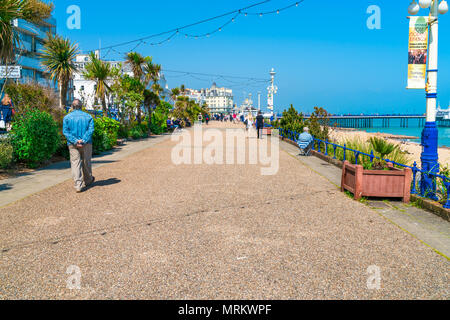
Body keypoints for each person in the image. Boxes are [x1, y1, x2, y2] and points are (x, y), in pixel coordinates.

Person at [63, 99, 95, 193]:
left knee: (75, 163)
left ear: (72, 107)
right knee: (86, 162)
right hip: (87, 143)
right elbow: (90, 130)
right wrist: (83, 140)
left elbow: (66, 132)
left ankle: (78, 185)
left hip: (72, 144)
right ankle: (88, 180)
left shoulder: (67, 117)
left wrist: (75, 141)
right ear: (81, 106)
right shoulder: (88, 116)